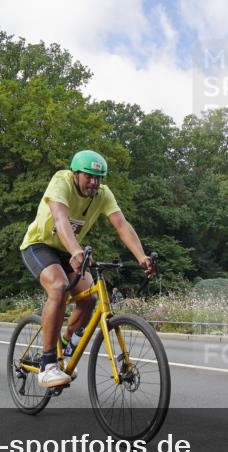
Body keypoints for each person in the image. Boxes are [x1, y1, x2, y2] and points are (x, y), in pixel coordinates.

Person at [20, 150, 153, 388]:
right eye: (89, 177)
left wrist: (141, 256)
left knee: (89, 298)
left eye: (98, 178)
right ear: (75, 174)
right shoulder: (61, 182)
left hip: (70, 250)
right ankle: (48, 364)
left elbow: (122, 225)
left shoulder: (103, 194)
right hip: (39, 245)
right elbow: (60, 219)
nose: (94, 182)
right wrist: (75, 250)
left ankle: (66, 345)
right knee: (59, 287)